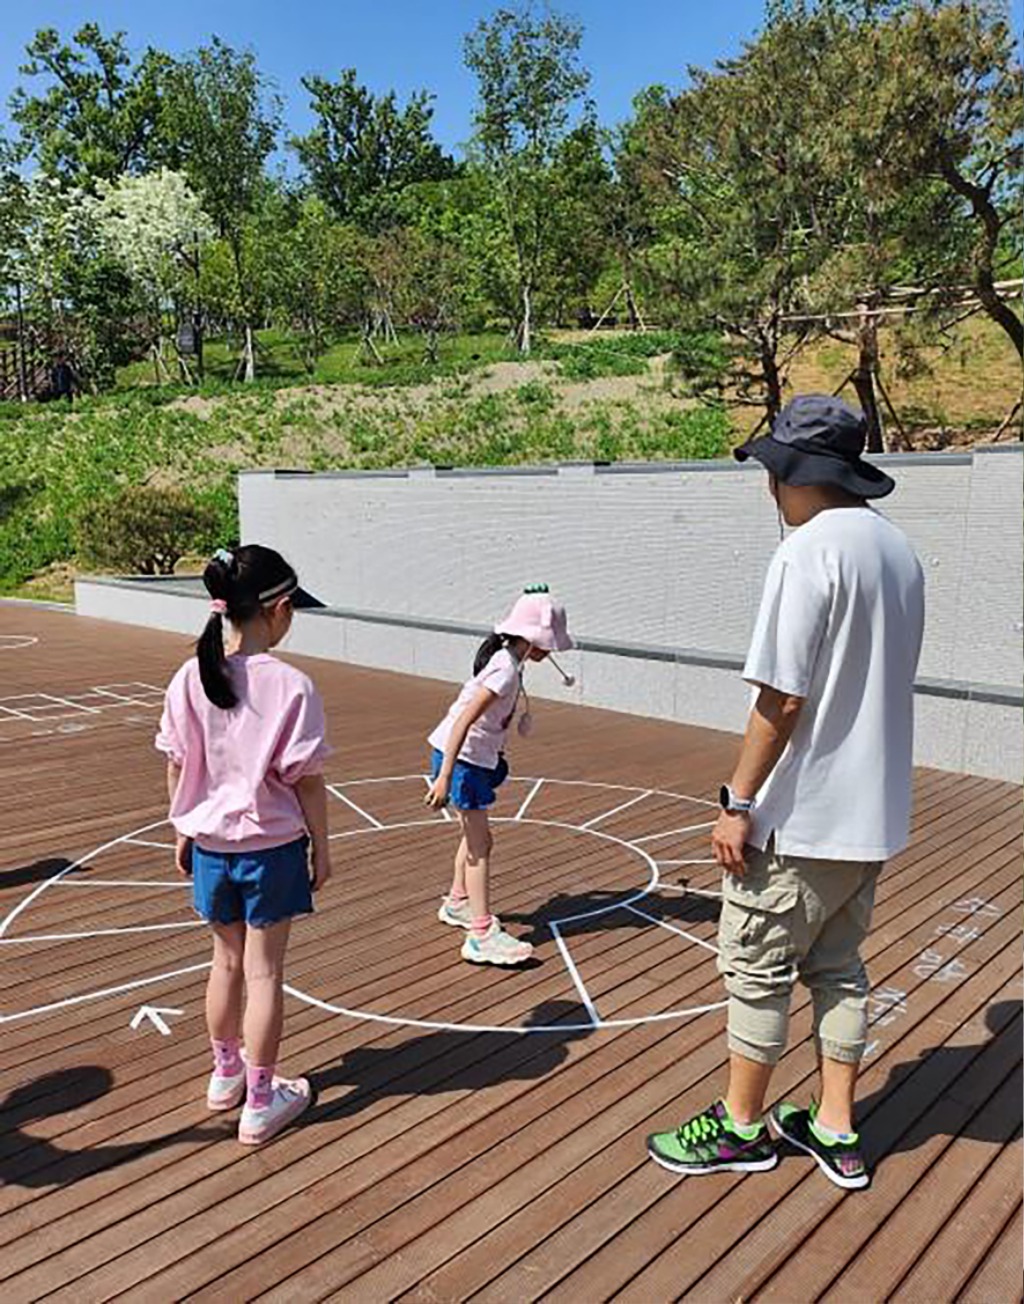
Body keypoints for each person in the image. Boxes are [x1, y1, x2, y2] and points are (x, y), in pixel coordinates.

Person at [648, 394, 925, 1190]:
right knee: (840, 970)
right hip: (871, 819)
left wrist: (736, 800)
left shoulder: (807, 555)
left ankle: (741, 1129)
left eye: (772, 469)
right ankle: (835, 1126)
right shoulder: (899, 553)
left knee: (758, 970)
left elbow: (782, 699)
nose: (768, 485)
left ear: (799, 474)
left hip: (800, 822)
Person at [156, 545, 332, 1146]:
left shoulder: (189, 676)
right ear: (279, 609)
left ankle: (224, 1075)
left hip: (210, 846)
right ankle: (261, 1101)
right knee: (264, 973)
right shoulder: (293, 686)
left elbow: (176, 766)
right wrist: (323, 849)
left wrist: (182, 829)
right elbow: (307, 780)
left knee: (224, 963)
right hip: (271, 848)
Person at [424, 585, 574, 966]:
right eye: (549, 641)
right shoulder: (505, 670)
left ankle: (458, 901)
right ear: (532, 638)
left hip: (469, 759)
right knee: (481, 845)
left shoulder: (509, 661)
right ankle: (480, 934)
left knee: (472, 836)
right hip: (462, 762)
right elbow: (463, 719)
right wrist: (444, 777)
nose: (551, 650)